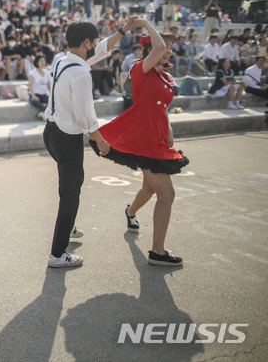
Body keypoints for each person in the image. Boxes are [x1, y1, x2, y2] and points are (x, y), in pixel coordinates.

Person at [90, 19, 189, 266]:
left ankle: (130, 212)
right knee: (167, 194)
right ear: (150, 46)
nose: (167, 51)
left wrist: (169, 128)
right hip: (142, 139)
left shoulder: (164, 75)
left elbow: (163, 108)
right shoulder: (139, 68)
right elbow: (155, 50)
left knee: (150, 188)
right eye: (164, 45)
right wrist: (144, 23)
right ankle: (158, 251)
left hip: (158, 136)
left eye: (170, 48)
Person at [43, 15, 137, 268]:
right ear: (86, 42)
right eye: (93, 41)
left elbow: (101, 51)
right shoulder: (81, 75)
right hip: (66, 137)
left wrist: (122, 31)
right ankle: (57, 254)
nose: (96, 45)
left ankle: (69, 225)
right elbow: (86, 116)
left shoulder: (63, 61)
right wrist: (101, 141)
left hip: (51, 132)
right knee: (71, 193)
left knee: (73, 184)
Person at [28, 54, 51, 119]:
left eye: (44, 61)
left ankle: (43, 113)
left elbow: (49, 86)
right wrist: (33, 96)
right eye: (41, 61)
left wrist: (52, 96)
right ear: (37, 62)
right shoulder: (32, 73)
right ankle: (45, 112)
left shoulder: (47, 72)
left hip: (44, 95)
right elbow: (30, 86)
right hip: (35, 95)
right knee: (34, 101)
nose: (43, 63)